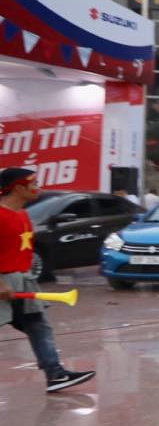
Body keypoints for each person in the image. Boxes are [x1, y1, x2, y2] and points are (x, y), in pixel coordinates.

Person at [1, 167, 95, 392]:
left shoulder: (22, 215)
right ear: (18, 187)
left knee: (38, 326)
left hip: (23, 282)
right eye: (33, 184)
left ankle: (55, 374)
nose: (38, 188)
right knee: (38, 327)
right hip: (3, 283)